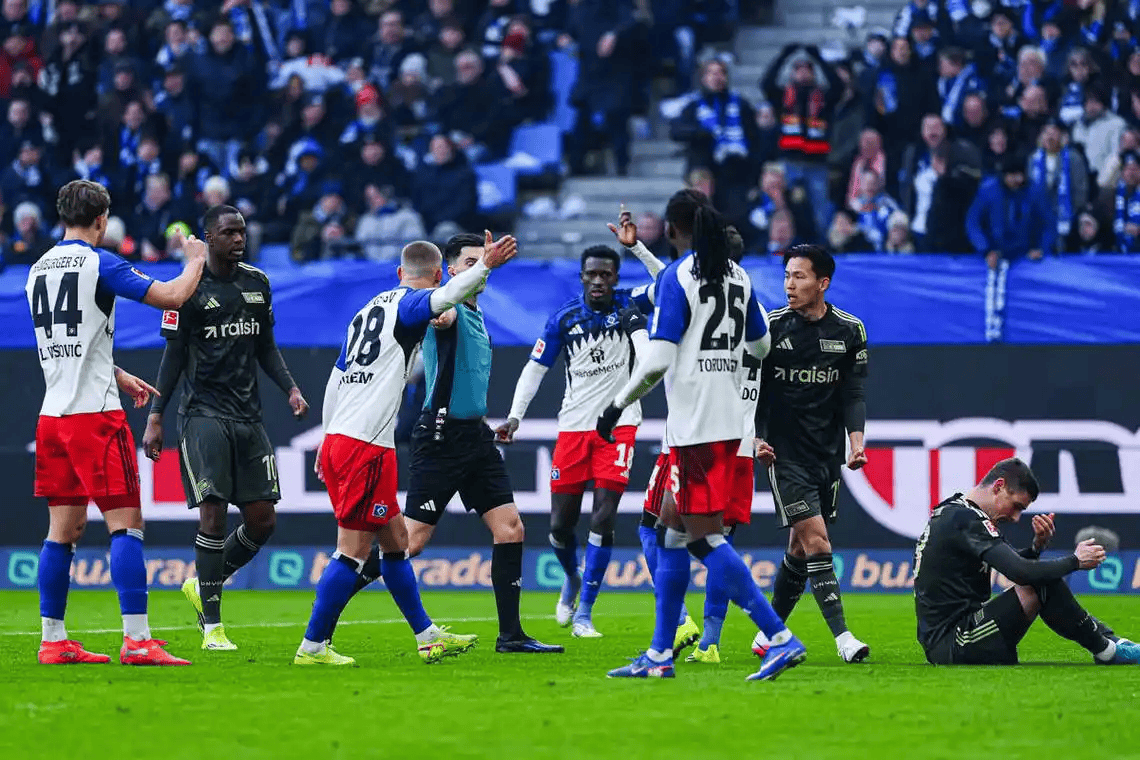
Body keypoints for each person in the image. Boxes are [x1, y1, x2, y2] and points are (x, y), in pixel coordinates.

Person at [601, 191, 805, 681]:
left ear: (673, 230)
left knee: (703, 539)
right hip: (731, 424)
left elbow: (658, 360)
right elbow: (762, 344)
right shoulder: (738, 276)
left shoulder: (680, 276)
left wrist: (617, 404)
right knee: (671, 531)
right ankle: (659, 655)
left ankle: (779, 637)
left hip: (695, 427)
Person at [296, 237, 517, 665]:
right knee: (352, 550)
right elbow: (446, 299)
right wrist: (485, 266)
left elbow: (337, 377)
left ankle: (427, 636)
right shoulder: (412, 303)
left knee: (396, 544)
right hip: (364, 444)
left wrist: (326, 434)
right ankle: (313, 646)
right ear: (436, 274)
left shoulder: (367, 310)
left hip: (348, 437)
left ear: (400, 271)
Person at [28, 179, 204, 666]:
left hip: (52, 417)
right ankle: (137, 639)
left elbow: (68, 344)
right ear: (102, 220)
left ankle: (53, 640)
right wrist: (194, 261)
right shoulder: (99, 262)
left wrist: (117, 373)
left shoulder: (37, 268)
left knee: (61, 530)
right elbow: (172, 296)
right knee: (126, 525)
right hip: (94, 419)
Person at [142, 205, 310, 652]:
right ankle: (213, 627)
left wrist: (291, 388)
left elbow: (266, 347)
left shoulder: (258, 283)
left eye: (242, 232)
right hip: (202, 415)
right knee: (213, 512)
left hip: (248, 417)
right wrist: (156, 416)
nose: (239, 239)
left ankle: (203, 584)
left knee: (263, 521)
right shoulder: (187, 289)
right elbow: (173, 357)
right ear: (209, 238)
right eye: (229, 232)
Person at [402, 232, 563, 654]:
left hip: (475, 435)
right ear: (450, 271)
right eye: (470, 262)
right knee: (410, 542)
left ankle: (511, 635)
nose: (480, 268)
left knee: (511, 528)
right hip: (441, 437)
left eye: (483, 260)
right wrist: (471, 279)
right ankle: (334, 596)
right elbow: (440, 318)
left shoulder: (476, 312)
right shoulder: (449, 307)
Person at [495, 229, 655, 638]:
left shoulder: (631, 305)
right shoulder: (564, 318)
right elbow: (535, 369)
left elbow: (669, 283)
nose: (598, 281)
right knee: (560, 527)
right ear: (582, 277)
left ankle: (585, 612)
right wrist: (514, 417)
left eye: (606, 274)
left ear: (616, 277)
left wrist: (636, 247)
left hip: (618, 426)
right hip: (573, 429)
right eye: (592, 274)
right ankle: (572, 578)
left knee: (603, 516)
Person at [757, 244, 872, 664]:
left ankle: (768, 632)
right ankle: (844, 639)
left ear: (822, 283)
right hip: (783, 455)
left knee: (799, 548)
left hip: (827, 456)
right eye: (787, 275)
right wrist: (755, 438)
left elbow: (853, 393)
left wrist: (856, 442)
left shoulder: (850, 331)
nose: (789, 284)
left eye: (799, 276)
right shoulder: (770, 328)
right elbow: (752, 391)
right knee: (818, 542)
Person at [914, 458, 1140, 665]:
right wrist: (1075, 561)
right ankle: (1107, 650)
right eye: (1016, 507)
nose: (1015, 518)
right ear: (999, 486)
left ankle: (1109, 643)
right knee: (1041, 581)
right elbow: (1020, 572)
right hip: (954, 642)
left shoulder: (959, 512)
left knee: (1041, 578)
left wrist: (1036, 548)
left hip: (956, 635)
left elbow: (1014, 565)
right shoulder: (965, 518)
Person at [687, 225, 769, 664]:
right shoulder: (756, 313)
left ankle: (687, 633)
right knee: (719, 543)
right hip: (741, 445)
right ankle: (710, 641)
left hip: (707, 440)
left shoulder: (701, 307)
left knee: (660, 531)